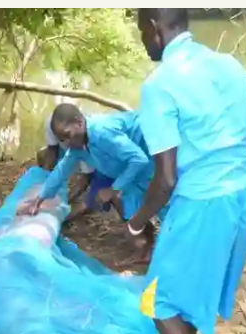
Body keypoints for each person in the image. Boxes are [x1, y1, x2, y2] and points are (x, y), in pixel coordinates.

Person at [130, 9, 246, 334]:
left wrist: (137, 222)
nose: (143, 41)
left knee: (156, 301)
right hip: (242, 192)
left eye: (141, 32)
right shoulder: (228, 65)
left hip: (203, 200)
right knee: (186, 282)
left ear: (154, 29)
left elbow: (165, 178)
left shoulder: (159, 86)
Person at [22, 104, 160, 264]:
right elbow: (61, 171)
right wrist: (39, 200)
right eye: (62, 140)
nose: (66, 143)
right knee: (130, 208)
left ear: (79, 123)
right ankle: (145, 250)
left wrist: (113, 189)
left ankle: (169, 250)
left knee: (162, 202)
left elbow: (139, 159)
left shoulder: (101, 132)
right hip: (130, 169)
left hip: (151, 155)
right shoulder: (78, 146)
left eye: (67, 135)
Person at [35, 115, 115, 224]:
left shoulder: (86, 147)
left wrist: (63, 202)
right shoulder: (51, 122)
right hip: (83, 150)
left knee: (88, 204)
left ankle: (57, 220)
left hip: (106, 166)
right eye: (62, 138)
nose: (65, 142)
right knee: (42, 155)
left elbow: (84, 180)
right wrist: (42, 194)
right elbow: (52, 151)